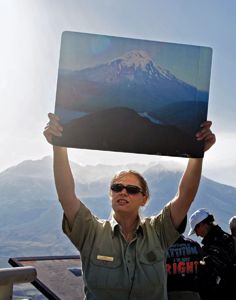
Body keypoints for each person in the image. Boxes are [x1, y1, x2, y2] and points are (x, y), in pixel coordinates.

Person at [43, 113, 216, 300]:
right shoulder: (91, 233)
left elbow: (185, 196)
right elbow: (67, 197)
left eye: (132, 189)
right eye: (117, 187)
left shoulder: (158, 231)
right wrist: (59, 146)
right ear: (111, 195)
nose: (123, 192)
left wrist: (197, 153)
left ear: (144, 199)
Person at [188, 209, 236, 300]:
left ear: (203, 225)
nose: (196, 234)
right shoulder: (225, 238)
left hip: (219, 293)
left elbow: (215, 270)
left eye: (196, 229)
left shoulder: (215, 243)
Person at [166, 234, 204, 300]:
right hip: (192, 293)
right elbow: (203, 266)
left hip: (170, 293)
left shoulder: (163, 247)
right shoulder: (194, 244)